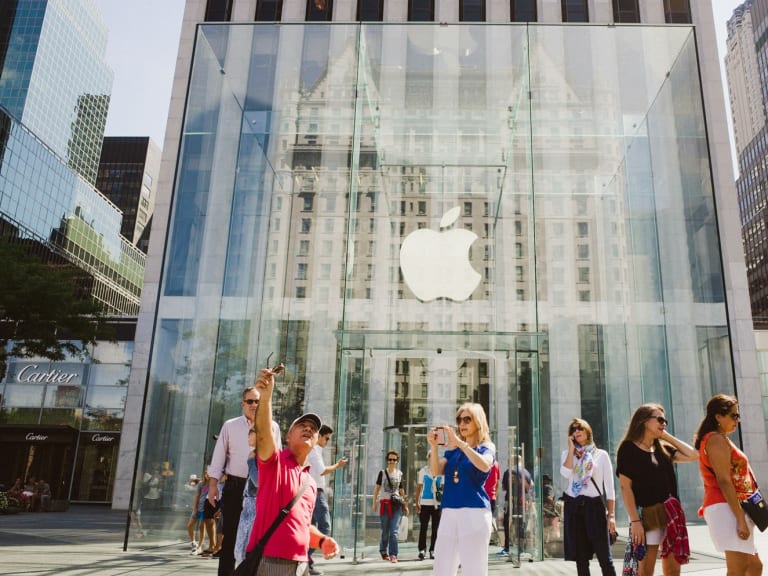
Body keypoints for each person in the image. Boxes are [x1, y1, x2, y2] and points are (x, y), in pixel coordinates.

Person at [246, 365, 339, 576]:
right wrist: (266, 398)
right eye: (302, 425)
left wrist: (323, 540)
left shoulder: (311, 482)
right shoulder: (275, 463)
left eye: (313, 429)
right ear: (287, 437)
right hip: (270, 563)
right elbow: (263, 435)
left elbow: (302, 526)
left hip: (301, 565)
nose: (309, 429)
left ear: (316, 441)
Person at [208, 385, 282, 576]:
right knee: (230, 538)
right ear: (243, 404)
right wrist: (213, 485)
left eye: (258, 401)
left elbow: (278, 459)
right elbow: (218, 457)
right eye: (250, 401)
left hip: (261, 489)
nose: (254, 405)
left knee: (257, 538)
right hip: (234, 487)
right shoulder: (230, 426)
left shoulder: (272, 427)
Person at [617, 403, 698, 576]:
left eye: (665, 421)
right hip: (648, 517)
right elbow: (625, 488)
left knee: (673, 570)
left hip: (671, 516)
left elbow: (693, 455)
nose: (664, 423)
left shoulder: (663, 449)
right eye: (660, 419)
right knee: (646, 570)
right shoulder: (628, 449)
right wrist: (635, 521)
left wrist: (666, 436)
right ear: (645, 421)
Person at [694, 394, 762, 576]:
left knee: (755, 566)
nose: (737, 420)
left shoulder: (720, 438)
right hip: (725, 506)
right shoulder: (715, 439)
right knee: (738, 569)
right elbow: (724, 480)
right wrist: (740, 519)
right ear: (718, 416)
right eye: (733, 415)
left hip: (732, 506)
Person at [428, 402, 495, 576]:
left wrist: (460, 444)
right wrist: (434, 447)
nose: (462, 424)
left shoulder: (486, 447)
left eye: (467, 419)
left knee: (474, 570)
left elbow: (485, 465)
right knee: (442, 569)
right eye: (459, 420)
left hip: (474, 513)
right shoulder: (453, 452)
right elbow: (436, 471)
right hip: (449, 511)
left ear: (478, 422)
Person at [560, 418, 617, 576]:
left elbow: (610, 488)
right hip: (574, 507)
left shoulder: (601, 455)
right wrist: (572, 450)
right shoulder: (567, 454)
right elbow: (565, 473)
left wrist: (611, 515)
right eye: (573, 430)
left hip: (594, 507)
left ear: (588, 432)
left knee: (605, 558)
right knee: (581, 559)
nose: (576, 431)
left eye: (580, 428)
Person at [306, 424, 347, 575]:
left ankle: (306, 561)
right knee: (325, 526)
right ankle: (305, 558)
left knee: (313, 526)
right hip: (316, 491)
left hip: (314, 490)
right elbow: (322, 471)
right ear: (320, 436)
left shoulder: (315, 450)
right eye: (327, 438)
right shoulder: (314, 450)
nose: (327, 442)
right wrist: (338, 465)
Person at [372, 449, 405, 563]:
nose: (392, 461)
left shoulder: (399, 474)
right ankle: (383, 550)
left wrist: (404, 504)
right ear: (387, 461)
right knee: (385, 530)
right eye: (390, 459)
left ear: (397, 461)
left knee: (394, 531)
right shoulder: (382, 473)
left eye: (394, 460)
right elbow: (376, 489)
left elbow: (401, 490)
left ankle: (393, 554)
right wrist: (374, 502)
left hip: (396, 505)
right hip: (384, 505)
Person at [498, 463, 532, 556]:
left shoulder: (508, 472)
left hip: (510, 500)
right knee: (521, 523)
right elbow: (530, 486)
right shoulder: (527, 472)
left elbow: (504, 488)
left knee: (507, 522)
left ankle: (507, 547)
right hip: (523, 500)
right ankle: (521, 548)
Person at [415, 451, 443, 560]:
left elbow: (443, 487)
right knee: (423, 527)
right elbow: (419, 487)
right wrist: (417, 501)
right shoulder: (423, 471)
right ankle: (422, 550)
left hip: (437, 504)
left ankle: (433, 550)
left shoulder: (441, 471)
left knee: (436, 528)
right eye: (431, 457)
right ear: (428, 458)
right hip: (425, 503)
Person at [484, 459, 501, 546]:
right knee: (488, 521)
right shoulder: (496, 464)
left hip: (481, 497)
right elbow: (497, 483)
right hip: (491, 497)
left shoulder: (482, 460)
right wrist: (494, 494)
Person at [187, 474, 202, 549]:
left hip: (203, 508)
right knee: (190, 525)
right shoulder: (199, 484)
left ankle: (200, 545)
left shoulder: (204, 484)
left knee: (202, 527)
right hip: (195, 508)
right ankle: (193, 542)